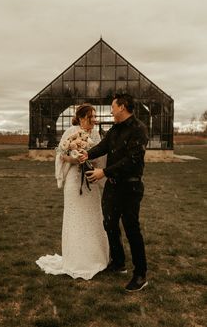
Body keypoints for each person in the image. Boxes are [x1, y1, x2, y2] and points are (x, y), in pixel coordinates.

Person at [80, 93, 148, 291]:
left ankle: (140, 274)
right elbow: (103, 146)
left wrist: (104, 172)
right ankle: (118, 264)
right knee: (109, 223)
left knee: (131, 228)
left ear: (123, 107)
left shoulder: (139, 129)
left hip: (131, 186)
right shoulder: (114, 129)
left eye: (113, 106)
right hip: (113, 185)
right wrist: (87, 154)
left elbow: (132, 160)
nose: (111, 110)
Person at [36, 103, 109, 280]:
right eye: (91, 116)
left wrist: (91, 161)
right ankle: (76, 259)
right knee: (75, 217)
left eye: (94, 116)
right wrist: (76, 158)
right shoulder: (71, 132)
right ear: (83, 117)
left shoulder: (96, 134)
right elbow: (61, 154)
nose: (94, 120)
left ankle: (94, 258)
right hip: (73, 181)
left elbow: (100, 156)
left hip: (89, 179)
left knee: (92, 216)